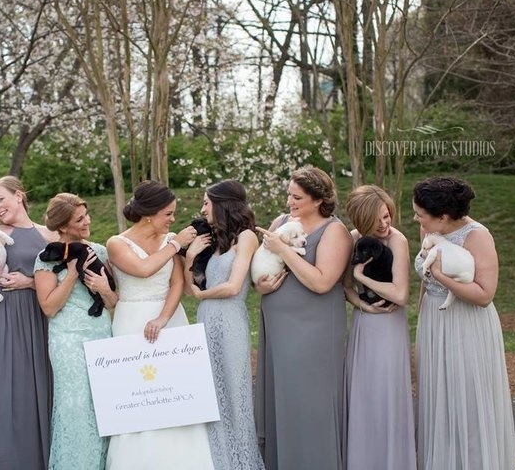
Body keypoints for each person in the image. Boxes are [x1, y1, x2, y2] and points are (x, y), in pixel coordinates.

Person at [105, 180, 213, 470]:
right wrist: (177, 243)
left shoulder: (169, 241)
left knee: (176, 392)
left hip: (170, 319)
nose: (172, 220)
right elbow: (143, 269)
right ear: (150, 213)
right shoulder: (117, 243)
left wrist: (164, 318)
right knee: (138, 393)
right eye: (168, 213)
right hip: (131, 322)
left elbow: (177, 282)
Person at [412, 176, 515, 470]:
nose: (416, 219)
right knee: (438, 401)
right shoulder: (429, 228)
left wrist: (441, 276)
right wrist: (422, 313)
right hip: (435, 319)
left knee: (468, 402)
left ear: (443, 217)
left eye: (420, 214)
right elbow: (424, 277)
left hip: (467, 324)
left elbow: (484, 295)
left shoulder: (477, 236)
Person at [254, 166, 352, 470]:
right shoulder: (281, 222)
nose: (289, 202)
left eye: (296, 196)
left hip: (314, 329)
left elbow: (322, 282)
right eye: (289, 194)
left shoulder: (334, 231)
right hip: (278, 324)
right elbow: (262, 263)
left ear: (317, 198)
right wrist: (259, 284)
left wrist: (284, 249)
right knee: (283, 398)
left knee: (311, 400)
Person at [0, 176, 59, 470]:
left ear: (19, 196)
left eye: (0, 199)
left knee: (32, 393)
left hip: (35, 318)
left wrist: (31, 282)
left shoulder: (49, 235)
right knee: (0, 393)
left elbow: (63, 282)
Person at [184, 179, 265, 470]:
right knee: (210, 395)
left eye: (207, 203)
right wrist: (190, 257)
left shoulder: (247, 237)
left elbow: (232, 287)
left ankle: (242, 462)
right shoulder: (215, 241)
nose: (203, 209)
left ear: (222, 204)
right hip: (205, 320)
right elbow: (191, 284)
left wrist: (201, 294)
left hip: (230, 320)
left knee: (234, 392)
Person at [34, 193, 118, 469]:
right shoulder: (46, 260)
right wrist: (71, 274)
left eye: (86, 215)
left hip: (101, 333)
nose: (87, 221)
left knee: (103, 407)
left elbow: (115, 303)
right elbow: (48, 307)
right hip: (67, 341)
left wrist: (104, 289)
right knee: (76, 407)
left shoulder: (100, 252)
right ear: (63, 227)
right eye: (79, 219)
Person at [342, 185, 416, 470]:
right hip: (365, 323)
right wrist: (363, 305)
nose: (385, 224)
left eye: (387, 216)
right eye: (378, 221)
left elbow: (400, 294)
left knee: (388, 394)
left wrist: (364, 276)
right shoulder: (353, 239)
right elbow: (346, 287)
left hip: (390, 327)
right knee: (363, 395)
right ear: (362, 222)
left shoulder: (397, 240)